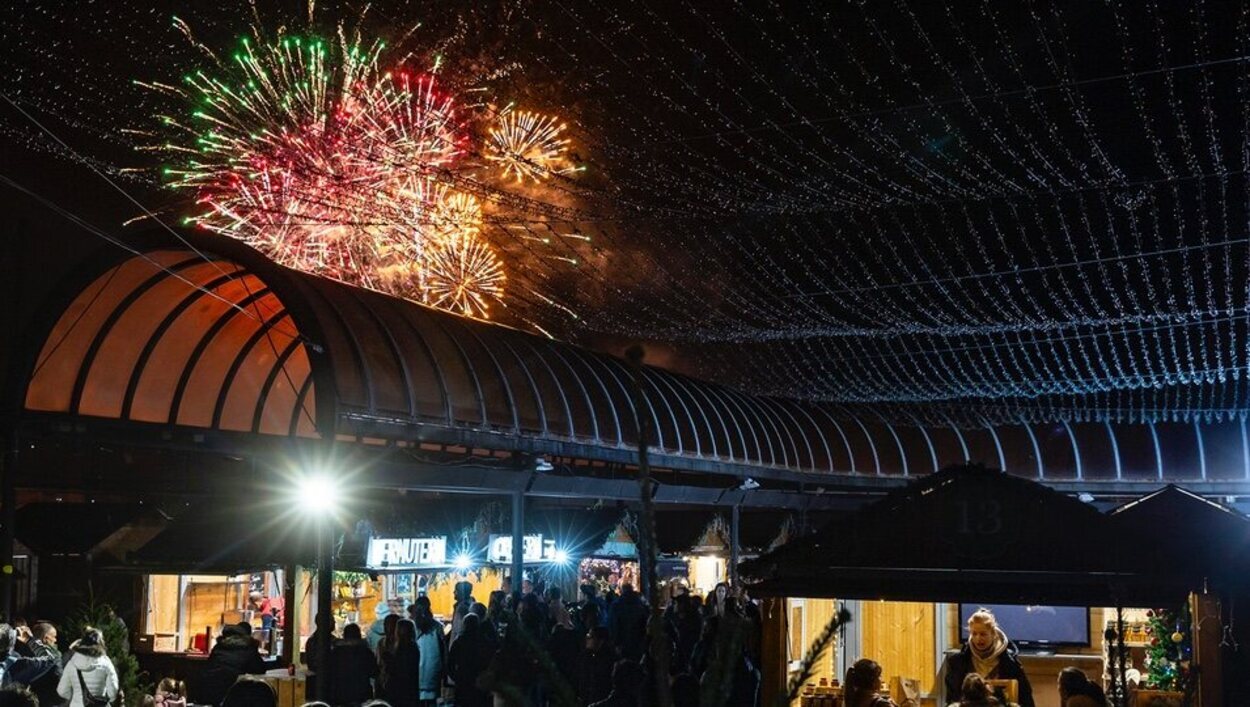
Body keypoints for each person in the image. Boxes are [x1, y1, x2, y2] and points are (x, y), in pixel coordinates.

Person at [942, 609, 1035, 707]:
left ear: (993, 634)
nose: (978, 638)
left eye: (983, 634)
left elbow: (1026, 700)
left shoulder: (1010, 663)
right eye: (974, 634)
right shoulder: (957, 663)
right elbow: (951, 699)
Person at [197, 624, 266, 706]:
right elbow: (259, 669)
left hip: (208, 689)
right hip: (233, 692)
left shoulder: (218, 646)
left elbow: (210, 664)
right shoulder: (248, 647)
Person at [55, 628, 118, 707]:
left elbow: (62, 691)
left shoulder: (72, 663)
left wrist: (76, 697)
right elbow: (113, 693)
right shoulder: (106, 663)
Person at [446, 615, 492, 707]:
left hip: (462, 681)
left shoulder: (459, 641)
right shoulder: (484, 641)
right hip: (478, 682)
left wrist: (456, 677)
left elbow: (450, 663)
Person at [331, 624, 376, 706]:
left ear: (344, 635)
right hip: (362, 694)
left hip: (341, 693)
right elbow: (373, 672)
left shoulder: (336, 652)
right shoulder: (366, 652)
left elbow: (331, 672)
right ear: (359, 635)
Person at [378, 619, 420, 707]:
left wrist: (387, 659)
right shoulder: (413, 646)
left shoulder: (402, 648)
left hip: (399, 690)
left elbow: (398, 668)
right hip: (410, 689)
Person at [411, 603, 445, 707]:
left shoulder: (413, 627)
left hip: (418, 667)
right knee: (432, 700)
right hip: (434, 665)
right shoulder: (437, 626)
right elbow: (443, 648)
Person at [607, 583, 647, 662]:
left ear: (622, 591)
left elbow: (614, 625)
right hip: (638, 643)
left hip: (622, 643)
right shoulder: (641, 605)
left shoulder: (617, 605)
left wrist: (615, 642)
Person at [843, 658, 908, 707]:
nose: (881, 680)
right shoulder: (882, 704)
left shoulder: (851, 701)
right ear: (873, 681)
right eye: (879, 676)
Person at [27, 623, 63, 707]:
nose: (55, 640)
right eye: (54, 636)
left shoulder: (23, 653)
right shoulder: (53, 659)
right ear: (46, 638)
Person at [449, 582, 475, 646]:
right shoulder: (471, 605)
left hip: (460, 647)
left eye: (456, 590)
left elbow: (459, 630)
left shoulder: (463, 608)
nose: (454, 592)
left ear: (461, 592)